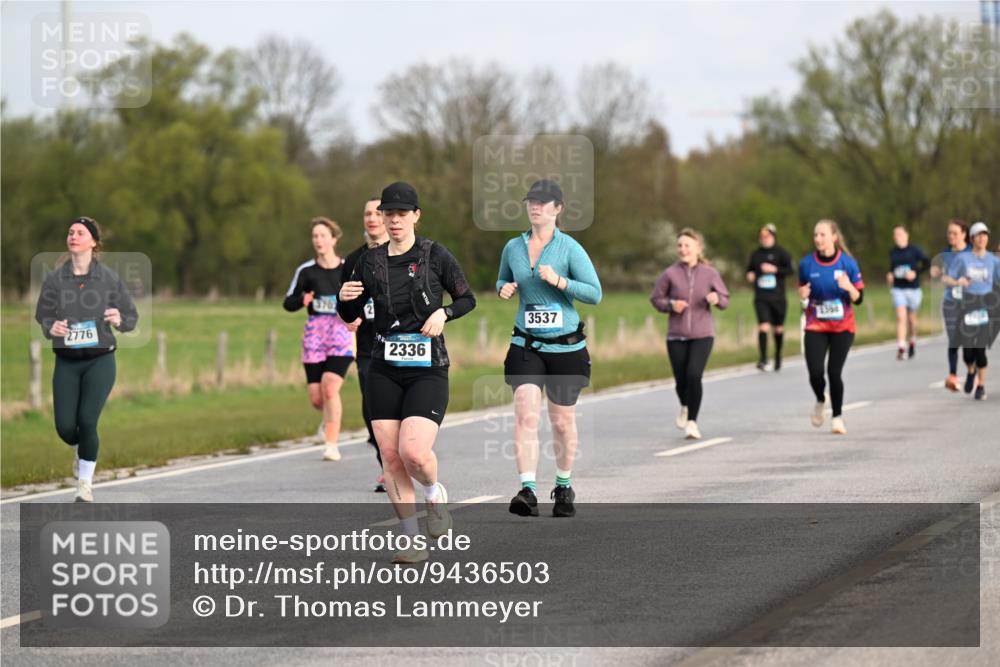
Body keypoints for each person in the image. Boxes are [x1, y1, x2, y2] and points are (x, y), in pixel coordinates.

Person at [338, 181, 476, 563]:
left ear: (416, 216)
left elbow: (467, 299)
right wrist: (343, 301)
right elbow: (351, 316)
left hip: (427, 368)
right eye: (389, 213)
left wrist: (444, 313)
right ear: (382, 217)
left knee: (413, 452)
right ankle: (412, 540)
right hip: (383, 366)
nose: (394, 220)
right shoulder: (369, 262)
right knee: (390, 456)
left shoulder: (435, 255)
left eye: (402, 213)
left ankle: (433, 493)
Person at [496, 179, 602, 519]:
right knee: (526, 412)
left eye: (542, 202)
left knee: (561, 422)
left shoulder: (570, 248)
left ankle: (564, 485)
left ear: (558, 208)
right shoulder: (513, 247)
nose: (535, 207)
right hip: (526, 344)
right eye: (531, 201)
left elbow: (595, 293)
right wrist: (504, 288)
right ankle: (527, 489)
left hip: (566, 348)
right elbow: (502, 278)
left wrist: (560, 281)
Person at [34, 217, 139, 502]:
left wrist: (119, 319)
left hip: (100, 360)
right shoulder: (55, 280)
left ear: (93, 242)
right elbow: (43, 315)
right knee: (66, 428)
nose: (73, 236)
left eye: (80, 233)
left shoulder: (108, 278)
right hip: (66, 362)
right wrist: (51, 327)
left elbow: (130, 316)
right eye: (70, 232)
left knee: (87, 421)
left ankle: (84, 485)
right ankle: (82, 452)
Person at [283, 217, 354, 461]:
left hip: (341, 333)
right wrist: (302, 300)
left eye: (323, 235)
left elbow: (364, 298)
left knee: (330, 388)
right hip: (315, 334)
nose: (318, 240)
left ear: (334, 239)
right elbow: (288, 302)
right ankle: (328, 418)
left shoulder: (348, 269)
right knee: (317, 398)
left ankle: (331, 445)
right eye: (315, 236)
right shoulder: (306, 271)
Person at [650, 228, 730, 440]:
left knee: (694, 375)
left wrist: (716, 299)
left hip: (703, 334)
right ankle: (685, 405)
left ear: (698, 248)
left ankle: (692, 422)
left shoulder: (710, 273)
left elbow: (725, 300)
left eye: (687, 245)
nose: (683, 249)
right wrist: (671, 304)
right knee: (681, 380)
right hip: (676, 335)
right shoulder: (669, 274)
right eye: (680, 245)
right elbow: (656, 299)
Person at [798, 219, 864, 435]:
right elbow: (803, 299)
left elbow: (859, 299)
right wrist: (803, 297)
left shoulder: (848, 264)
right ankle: (820, 398)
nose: (818, 239)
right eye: (815, 235)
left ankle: (837, 418)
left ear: (834, 237)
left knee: (834, 372)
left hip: (842, 327)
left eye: (822, 235)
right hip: (815, 326)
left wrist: (849, 287)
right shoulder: (806, 264)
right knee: (815, 372)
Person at [342, 198, 390, 492]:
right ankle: (387, 465)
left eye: (377, 213)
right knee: (372, 409)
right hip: (367, 348)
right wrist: (348, 316)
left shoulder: (404, 253)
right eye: (367, 213)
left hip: (399, 345)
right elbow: (343, 302)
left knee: (399, 409)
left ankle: (402, 458)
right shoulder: (353, 260)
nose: (371, 218)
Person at [948, 221, 1000, 401]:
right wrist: (958, 282)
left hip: (985, 306)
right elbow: (948, 278)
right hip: (967, 305)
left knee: (980, 351)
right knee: (968, 352)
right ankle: (971, 371)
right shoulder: (963, 259)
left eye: (984, 235)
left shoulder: (993, 260)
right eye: (978, 235)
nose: (982, 238)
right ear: (972, 239)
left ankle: (981, 386)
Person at [745, 223, 794, 371]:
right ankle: (763, 359)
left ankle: (778, 355)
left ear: (773, 237)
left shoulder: (781, 253)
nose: (764, 239)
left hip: (778, 298)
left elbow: (790, 270)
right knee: (763, 326)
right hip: (761, 298)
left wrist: (775, 270)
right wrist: (750, 275)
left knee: (778, 328)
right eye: (762, 237)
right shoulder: (756, 254)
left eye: (767, 237)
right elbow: (749, 270)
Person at [930, 219, 970, 391]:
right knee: (953, 339)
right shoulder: (945, 253)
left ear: (964, 234)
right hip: (950, 302)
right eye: (949, 233)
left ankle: (973, 373)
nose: (951, 236)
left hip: (970, 303)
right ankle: (952, 375)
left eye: (955, 233)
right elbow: (943, 274)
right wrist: (937, 272)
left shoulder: (972, 252)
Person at [886, 225, 930, 360]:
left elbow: (927, 263)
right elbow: (893, 268)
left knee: (911, 319)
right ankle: (901, 347)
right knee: (901, 317)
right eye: (895, 235)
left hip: (913, 289)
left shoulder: (915, 250)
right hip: (898, 288)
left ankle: (912, 340)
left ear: (906, 235)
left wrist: (915, 273)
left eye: (900, 234)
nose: (897, 237)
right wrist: (890, 274)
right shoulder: (893, 252)